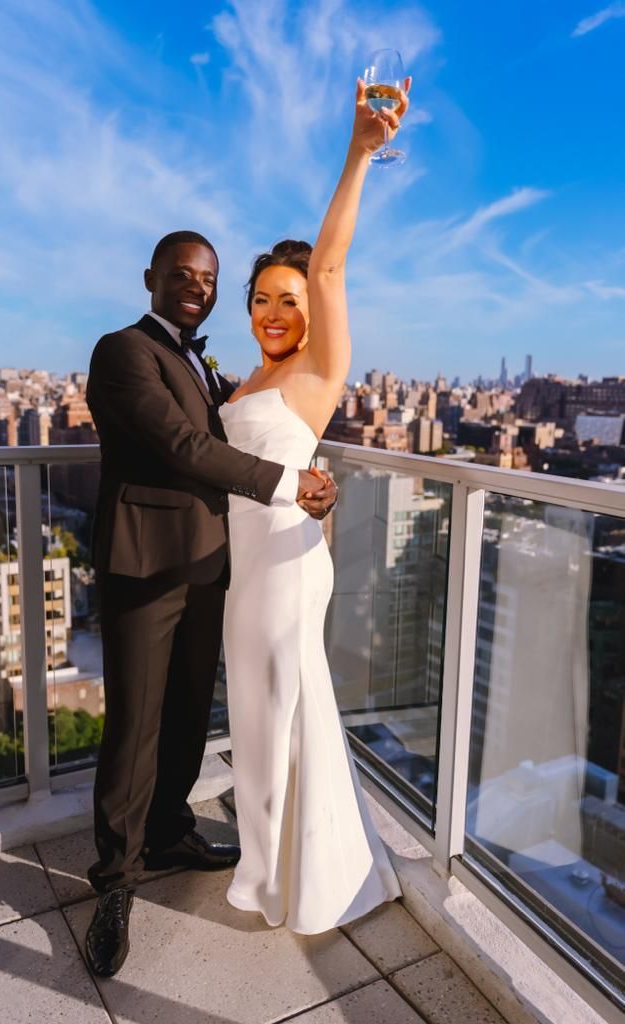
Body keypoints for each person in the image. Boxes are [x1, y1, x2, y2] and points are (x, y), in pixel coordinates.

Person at [83, 230, 338, 976]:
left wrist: (310, 475)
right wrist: (295, 485)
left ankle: (169, 831)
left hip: (208, 566)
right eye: (182, 274)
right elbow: (181, 448)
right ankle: (115, 884)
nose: (197, 285)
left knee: (191, 709)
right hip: (143, 564)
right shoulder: (123, 351)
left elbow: (253, 423)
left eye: (208, 278)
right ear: (151, 277)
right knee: (136, 725)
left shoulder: (204, 365)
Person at [220, 76, 411, 933]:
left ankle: (310, 883)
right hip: (245, 567)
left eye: (286, 301)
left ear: (312, 313)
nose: (270, 312)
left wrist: (360, 150)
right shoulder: (250, 378)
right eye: (259, 298)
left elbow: (331, 263)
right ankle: (272, 874)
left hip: (290, 568)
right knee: (263, 726)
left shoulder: (313, 375)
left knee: (283, 715)